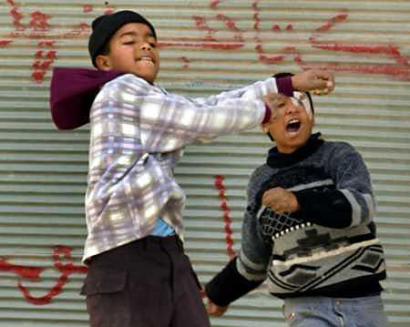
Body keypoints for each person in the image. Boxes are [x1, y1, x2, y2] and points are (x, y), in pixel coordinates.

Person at [49, 10, 335, 327]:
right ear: (105, 63)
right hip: (127, 255)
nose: (145, 47)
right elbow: (201, 121)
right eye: (130, 41)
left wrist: (286, 84)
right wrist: (265, 109)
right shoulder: (121, 91)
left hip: (165, 253)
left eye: (151, 41)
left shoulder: (153, 98)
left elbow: (207, 107)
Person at [205, 73, 388, 327]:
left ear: (311, 115)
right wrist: (218, 293)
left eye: (300, 102)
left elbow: (361, 207)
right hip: (305, 309)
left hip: (362, 303)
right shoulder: (261, 181)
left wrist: (299, 202)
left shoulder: (339, 156)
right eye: (280, 105)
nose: (292, 108)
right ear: (264, 124)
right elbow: (254, 256)